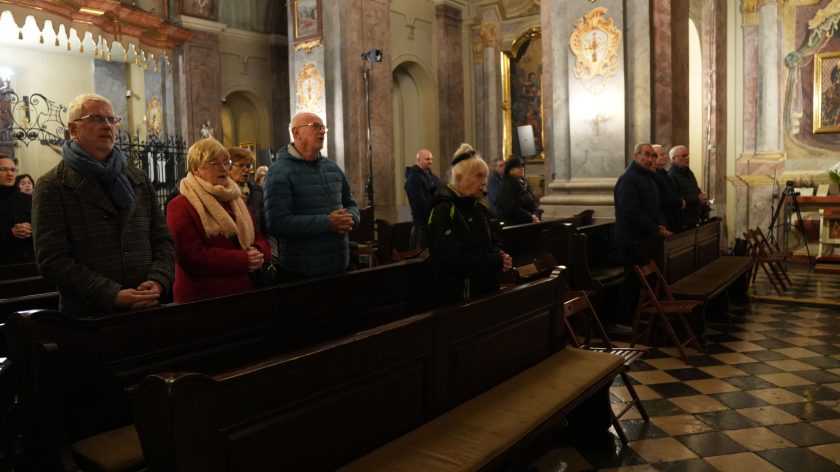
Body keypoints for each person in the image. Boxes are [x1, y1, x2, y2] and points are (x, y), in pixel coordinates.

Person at [33, 93, 174, 315]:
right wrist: (110, 294)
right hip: (90, 314)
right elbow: (52, 259)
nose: (108, 126)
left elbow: (163, 240)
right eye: (97, 119)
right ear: (73, 129)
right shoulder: (53, 185)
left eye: (112, 119)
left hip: (147, 304)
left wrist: (157, 281)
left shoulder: (138, 178)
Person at [166, 139, 271, 303]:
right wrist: (243, 259)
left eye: (226, 162)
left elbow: (259, 236)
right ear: (196, 168)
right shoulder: (180, 205)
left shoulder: (237, 200)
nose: (223, 168)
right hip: (203, 297)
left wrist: (258, 251)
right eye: (214, 163)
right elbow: (191, 257)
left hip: (245, 290)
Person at [263, 112, 360, 278]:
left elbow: (351, 204)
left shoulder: (332, 167)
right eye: (316, 126)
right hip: (302, 272)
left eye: (323, 127)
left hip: (340, 266)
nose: (322, 131)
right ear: (296, 133)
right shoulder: (278, 172)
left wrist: (350, 218)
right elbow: (277, 223)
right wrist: (327, 223)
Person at [427, 143, 512, 306]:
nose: (484, 182)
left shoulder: (478, 208)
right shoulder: (443, 211)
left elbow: (492, 242)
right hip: (460, 299)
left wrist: (500, 254)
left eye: (485, 176)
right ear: (460, 179)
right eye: (479, 176)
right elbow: (456, 261)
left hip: (484, 291)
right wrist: (495, 262)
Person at [613, 143, 672, 325]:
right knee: (633, 278)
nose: (650, 159)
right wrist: (656, 229)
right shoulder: (628, 179)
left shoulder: (648, 177)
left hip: (646, 238)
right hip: (631, 238)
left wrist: (661, 224)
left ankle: (638, 315)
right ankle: (623, 319)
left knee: (641, 280)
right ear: (636, 156)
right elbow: (632, 211)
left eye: (653, 156)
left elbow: (656, 207)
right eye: (647, 154)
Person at [404, 148, 441, 249]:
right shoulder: (413, 178)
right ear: (418, 160)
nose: (430, 161)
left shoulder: (434, 178)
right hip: (422, 227)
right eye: (427, 159)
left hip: (434, 225)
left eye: (431, 159)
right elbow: (419, 205)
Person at [0, 155, 34, 264]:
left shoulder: (29, 200)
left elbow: (46, 228)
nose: (9, 174)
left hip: (32, 262)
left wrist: (33, 230)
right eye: (4, 170)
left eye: (13, 170)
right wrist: (10, 233)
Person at [668, 145, 709, 229]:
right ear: (673, 159)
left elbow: (694, 188)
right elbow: (675, 197)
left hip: (694, 216)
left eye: (687, 155)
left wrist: (701, 194)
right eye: (683, 156)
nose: (687, 158)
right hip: (682, 219)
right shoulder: (671, 174)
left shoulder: (689, 172)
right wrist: (697, 199)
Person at [497, 157, 541, 226]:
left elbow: (533, 202)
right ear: (510, 170)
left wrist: (535, 215)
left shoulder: (525, 183)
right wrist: (530, 217)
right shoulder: (506, 186)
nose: (522, 168)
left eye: (522, 166)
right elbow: (511, 209)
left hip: (530, 222)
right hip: (516, 224)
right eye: (518, 167)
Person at [652, 144, 683, 233]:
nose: (665, 157)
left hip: (672, 216)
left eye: (665, 154)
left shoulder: (664, 173)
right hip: (665, 218)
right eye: (661, 155)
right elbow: (661, 198)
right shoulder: (654, 175)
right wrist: (679, 202)